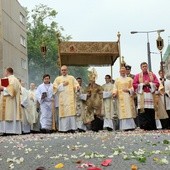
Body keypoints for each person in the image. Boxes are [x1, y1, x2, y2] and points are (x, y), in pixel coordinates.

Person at [133, 62, 160, 130]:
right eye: (143, 66)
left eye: (145, 66)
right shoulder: (137, 76)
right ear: (141, 68)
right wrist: (143, 84)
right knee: (143, 111)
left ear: (147, 67)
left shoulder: (152, 75)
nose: (145, 67)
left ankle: (151, 126)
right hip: (142, 95)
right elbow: (134, 84)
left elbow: (157, 83)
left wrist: (149, 84)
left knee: (150, 111)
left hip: (150, 95)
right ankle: (144, 126)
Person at [53, 65, 79, 133]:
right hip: (63, 100)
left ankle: (72, 128)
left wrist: (77, 88)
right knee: (64, 114)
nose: (63, 71)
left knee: (71, 113)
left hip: (70, 99)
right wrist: (62, 85)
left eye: (65, 70)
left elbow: (76, 85)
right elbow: (54, 88)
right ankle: (64, 129)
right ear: (60, 71)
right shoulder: (58, 79)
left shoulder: (71, 78)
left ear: (67, 70)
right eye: (62, 70)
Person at [0, 67, 22, 135]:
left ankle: (8, 131)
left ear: (7, 72)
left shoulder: (9, 79)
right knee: (11, 114)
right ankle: (11, 130)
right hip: (12, 101)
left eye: (5, 71)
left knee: (9, 114)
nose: (4, 73)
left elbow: (11, 91)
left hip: (8, 100)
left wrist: (2, 88)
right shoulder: (16, 79)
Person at [83, 68, 104, 132]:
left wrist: (98, 94)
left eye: (93, 80)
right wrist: (87, 94)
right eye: (91, 80)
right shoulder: (87, 87)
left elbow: (102, 93)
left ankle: (97, 127)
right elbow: (84, 93)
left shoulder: (98, 86)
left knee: (96, 115)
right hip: (89, 102)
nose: (92, 81)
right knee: (90, 115)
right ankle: (91, 127)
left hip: (97, 102)